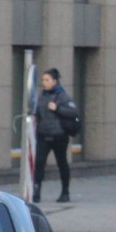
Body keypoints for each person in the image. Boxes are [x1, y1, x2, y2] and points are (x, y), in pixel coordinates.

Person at [33, 68, 79, 204]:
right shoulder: (42, 96)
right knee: (39, 162)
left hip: (59, 135)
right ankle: (36, 191)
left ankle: (65, 192)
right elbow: (38, 112)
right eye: (43, 80)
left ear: (54, 81)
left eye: (47, 80)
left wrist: (57, 108)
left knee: (62, 163)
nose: (44, 83)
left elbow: (73, 111)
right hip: (43, 134)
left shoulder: (62, 96)